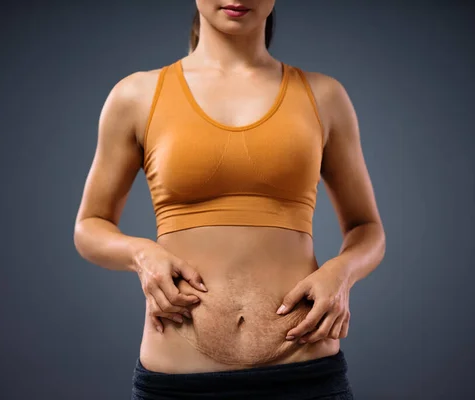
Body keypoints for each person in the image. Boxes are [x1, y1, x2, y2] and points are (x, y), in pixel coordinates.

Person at [73, 1, 385, 398]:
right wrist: (141, 255)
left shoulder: (324, 96)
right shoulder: (136, 95)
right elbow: (89, 226)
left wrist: (341, 274)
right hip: (178, 386)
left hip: (305, 376)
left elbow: (367, 228)